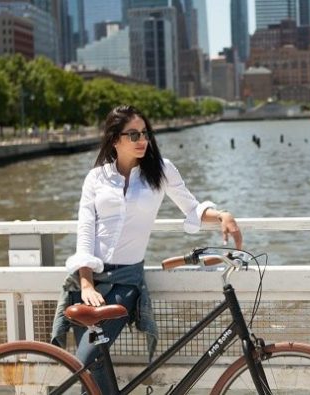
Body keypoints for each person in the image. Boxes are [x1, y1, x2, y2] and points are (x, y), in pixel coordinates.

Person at [51, 105, 242, 393]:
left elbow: (191, 207)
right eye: (133, 134)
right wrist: (87, 283)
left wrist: (222, 216)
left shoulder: (161, 171)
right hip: (89, 281)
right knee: (91, 365)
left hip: (126, 281)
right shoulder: (96, 178)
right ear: (115, 139)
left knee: (89, 359)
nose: (142, 140)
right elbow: (85, 232)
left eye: (145, 133)